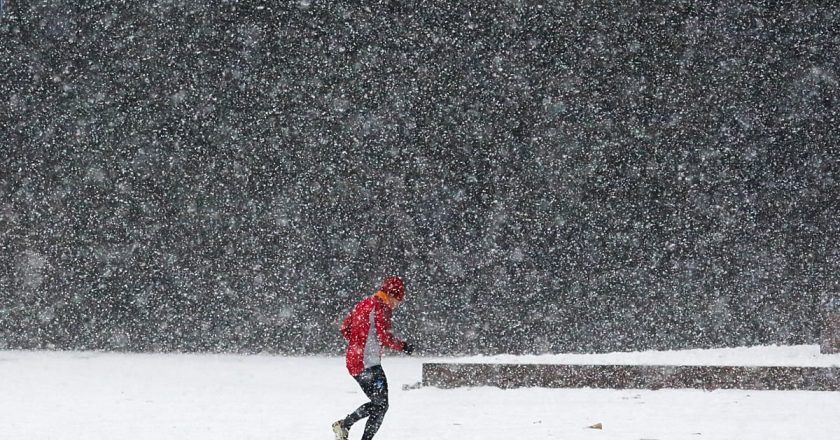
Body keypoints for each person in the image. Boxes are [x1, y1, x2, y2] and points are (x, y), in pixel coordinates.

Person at [332, 276, 415, 440]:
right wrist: (403, 346)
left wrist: (357, 343)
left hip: (355, 361)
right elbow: (384, 337)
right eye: (397, 300)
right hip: (369, 363)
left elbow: (344, 328)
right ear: (392, 295)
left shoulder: (364, 303)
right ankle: (346, 424)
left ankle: (345, 425)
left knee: (379, 404)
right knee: (381, 405)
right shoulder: (380, 307)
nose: (397, 305)